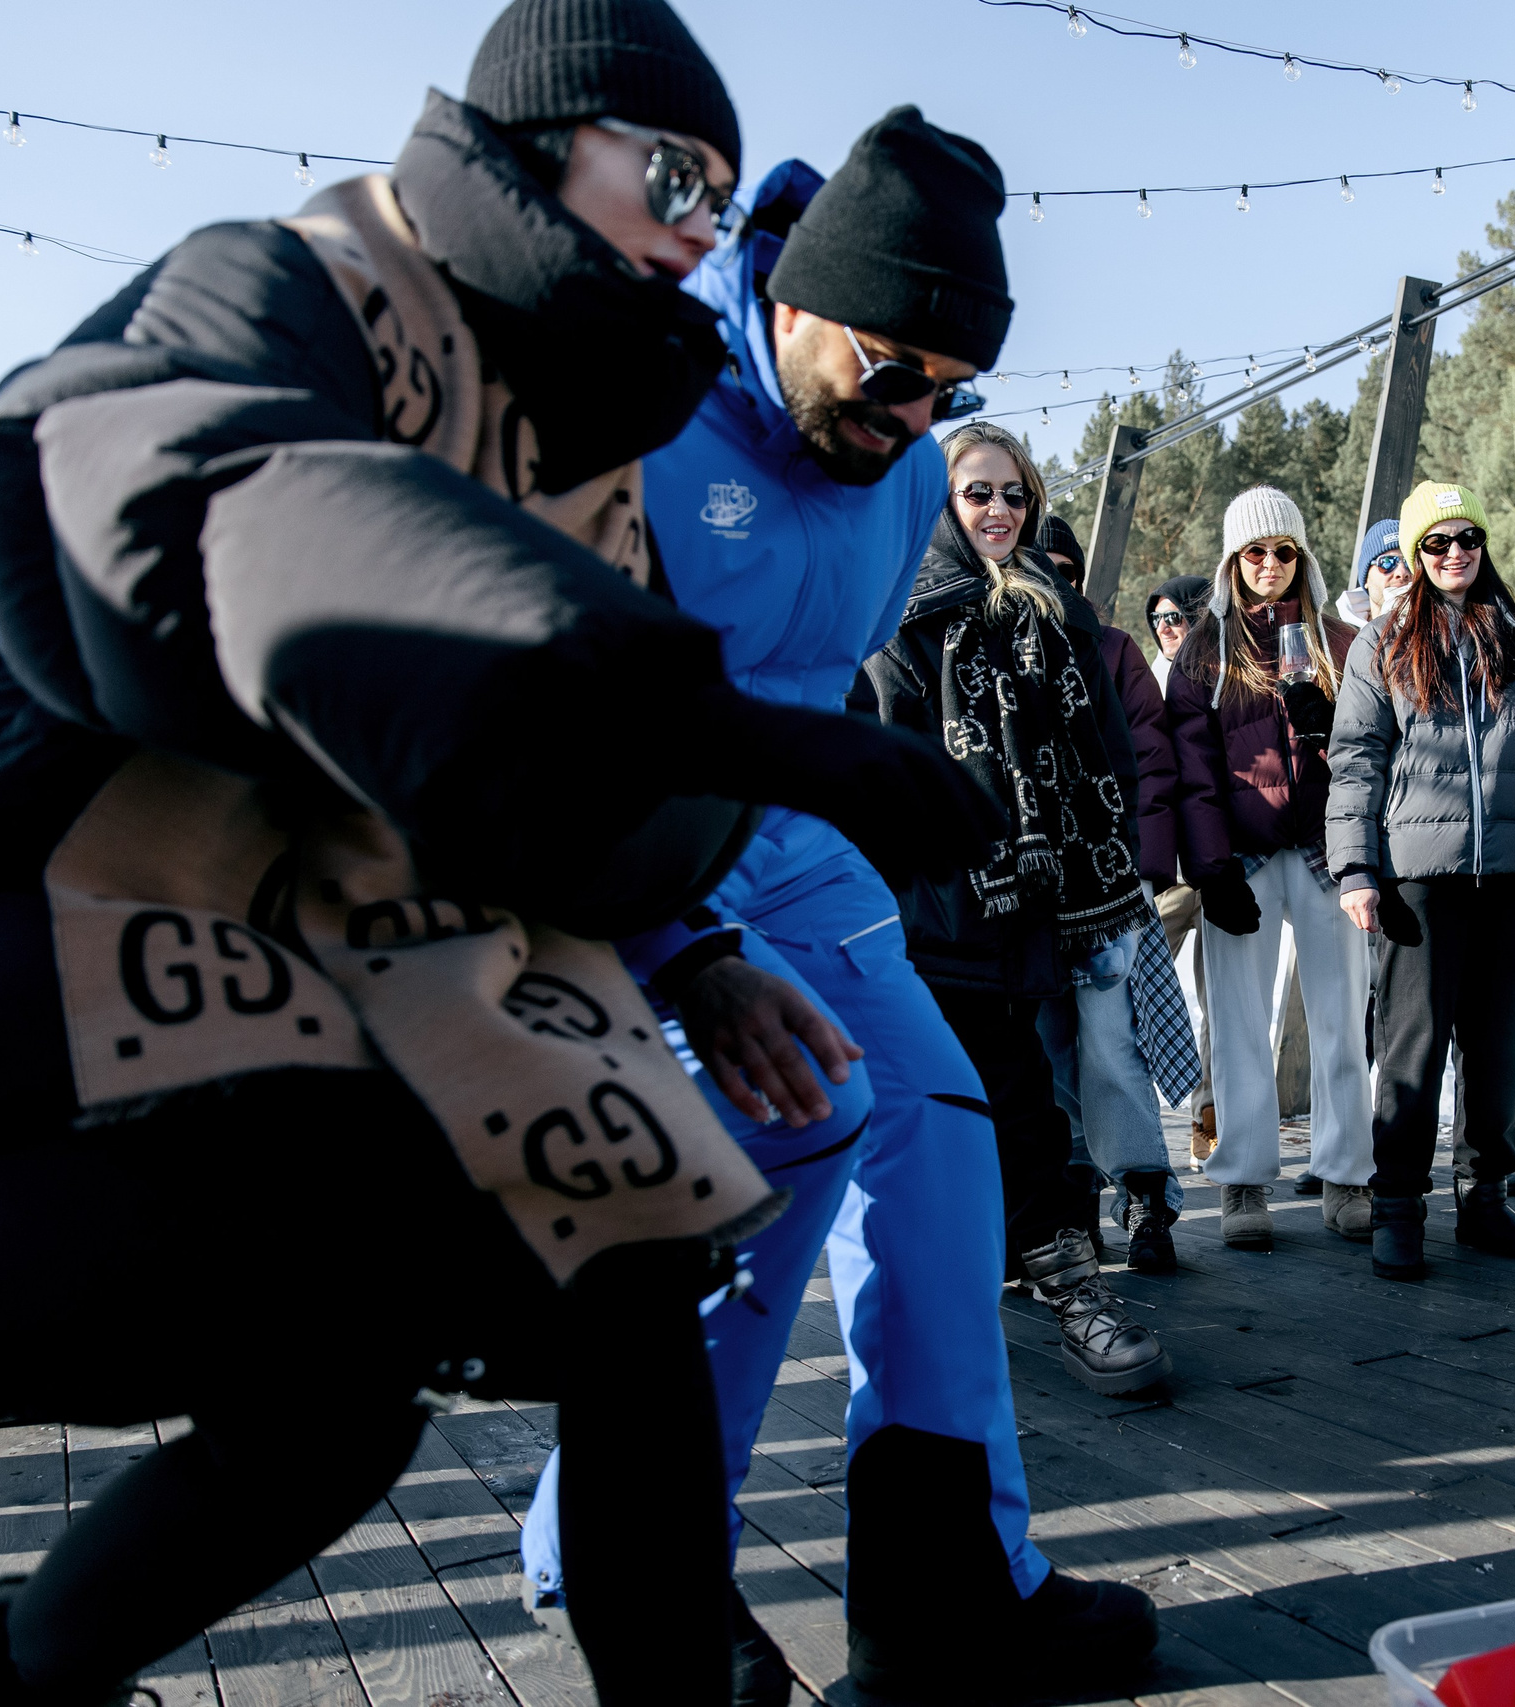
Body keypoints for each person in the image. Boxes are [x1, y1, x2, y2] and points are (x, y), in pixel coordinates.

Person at [0, 4, 1014, 1702]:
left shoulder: (578, 437)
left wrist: (696, 935)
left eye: (714, 200)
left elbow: (546, 797)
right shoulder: (280, 283)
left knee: (627, 1264)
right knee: (329, 1405)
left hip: (383, 943)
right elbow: (230, 515)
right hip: (90, 926)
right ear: (525, 154)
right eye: (667, 180)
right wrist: (752, 733)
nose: (696, 231)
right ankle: (10, 1677)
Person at [515, 120, 1157, 1701]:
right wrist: (679, 942)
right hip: (618, 853)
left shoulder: (908, 467)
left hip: (792, 844)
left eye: (949, 387)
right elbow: (544, 739)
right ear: (796, 305)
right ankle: (629, 1561)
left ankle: (947, 1580)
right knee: (766, 1148)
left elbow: (837, 681)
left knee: (941, 1133)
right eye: (888, 367)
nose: (914, 417)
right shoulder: (635, 419)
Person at [858, 421, 1174, 1396]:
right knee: (934, 1125)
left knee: (1033, 1113)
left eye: (1013, 495)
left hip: (1035, 914)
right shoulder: (894, 618)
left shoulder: (1059, 616)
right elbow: (870, 768)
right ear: (939, 506)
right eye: (976, 493)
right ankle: (923, 1331)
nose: (998, 511)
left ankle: (1075, 1298)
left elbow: (1112, 758)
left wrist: (1103, 876)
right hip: (927, 917)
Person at [1328, 482, 1515, 1281]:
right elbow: (1356, 761)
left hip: (1508, 871)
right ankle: (1399, 1204)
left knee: (1495, 1042)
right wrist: (1355, 866)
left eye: (1467, 537)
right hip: (1417, 877)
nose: (1454, 554)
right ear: (1413, 553)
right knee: (1412, 1048)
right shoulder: (1380, 644)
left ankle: (1483, 1197)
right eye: (1436, 543)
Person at [1163, 485, 1375, 1250]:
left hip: (1323, 850)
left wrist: (1326, 730)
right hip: (1243, 855)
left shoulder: (1339, 640)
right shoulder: (1204, 650)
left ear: (1303, 557)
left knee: (1340, 1020)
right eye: (1255, 551)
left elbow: (1364, 753)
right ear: (1232, 559)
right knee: (1240, 1026)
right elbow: (1194, 770)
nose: (1270, 565)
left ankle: (1348, 1171)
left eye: (1285, 551)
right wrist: (1211, 867)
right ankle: (1243, 1178)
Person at [1032, 513, 1195, 1273]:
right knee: (1048, 1049)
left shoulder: (1113, 647)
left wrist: (1143, 867)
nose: (1057, 577)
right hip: (1029, 889)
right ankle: (1075, 1203)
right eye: (1045, 562)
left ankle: (1145, 1195)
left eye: (1070, 566)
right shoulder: (993, 643)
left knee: (1109, 1044)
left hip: (1107, 881)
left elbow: (1152, 764)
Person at [1142, 573, 1220, 1167]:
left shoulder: (1226, 676)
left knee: (1222, 997)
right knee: (1134, 989)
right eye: (1162, 619)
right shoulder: (1142, 679)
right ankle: (1134, 1120)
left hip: (1217, 860)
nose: (1170, 628)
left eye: (1181, 617)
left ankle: (1208, 1120)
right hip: (1164, 872)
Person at [1337, 518, 1411, 629]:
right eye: (1387, 562)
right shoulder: (1339, 636)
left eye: (1410, 563)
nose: (1402, 572)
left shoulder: (1437, 631)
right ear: (1366, 578)